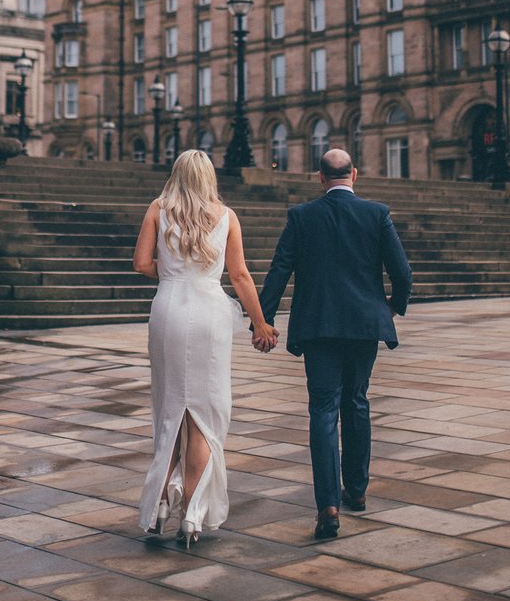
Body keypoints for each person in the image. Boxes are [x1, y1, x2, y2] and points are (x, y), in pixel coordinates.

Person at [254, 147, 412, 540]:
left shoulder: (302, 216)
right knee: (356, 400)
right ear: (354, 175)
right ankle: (356, 491)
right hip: (364, 325)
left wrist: (264, 320)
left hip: (319, 326)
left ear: (320, 178)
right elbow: (403, 273)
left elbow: (280, 268)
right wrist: (392, 307)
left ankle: (327, 506)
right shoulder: (377, 214)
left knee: (323, 409)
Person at [134, 149, 279, 544]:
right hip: (211, 313)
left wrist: (172, 272)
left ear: (177, 175)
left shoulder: (157, 209)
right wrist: (261, 323)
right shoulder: (227, 216)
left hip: (168, 309)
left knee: (169, 412)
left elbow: (140, 263)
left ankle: (160, 504)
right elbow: (241, 275)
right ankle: (192, 516)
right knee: (204, 414)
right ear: (209, 177)